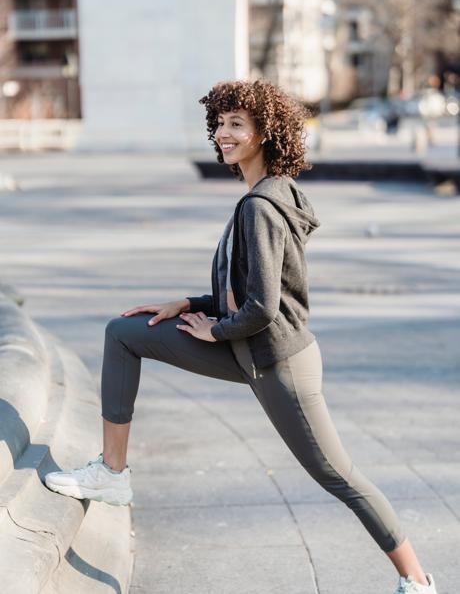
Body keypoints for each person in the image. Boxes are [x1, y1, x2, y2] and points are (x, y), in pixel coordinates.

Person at [44, 79, 438, 594]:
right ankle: (112, 473)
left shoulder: (260, 207)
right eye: (220, 123)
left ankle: (416, 580)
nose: (223, 134)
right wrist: (186, 305)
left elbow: (263, 308)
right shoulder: (265, 194)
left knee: (339, 476)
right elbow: (244, 288)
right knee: (124, 332)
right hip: (250, 349)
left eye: (237, 124)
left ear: (264, 133)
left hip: (277, 363)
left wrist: (216, 330)